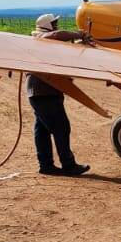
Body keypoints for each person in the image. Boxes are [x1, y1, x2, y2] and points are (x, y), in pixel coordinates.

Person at [27, 13, 89, 177]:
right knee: (61, 128)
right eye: (54, 23)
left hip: (41, 93)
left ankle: (46, 165)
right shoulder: (42, 38)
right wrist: (79, 34)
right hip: (44, 92)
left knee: (42, 130)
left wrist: (79, 44)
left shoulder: (45, 42)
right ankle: (68, 165)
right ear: (48, 26)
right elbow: (56, 35)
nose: (57, 26)